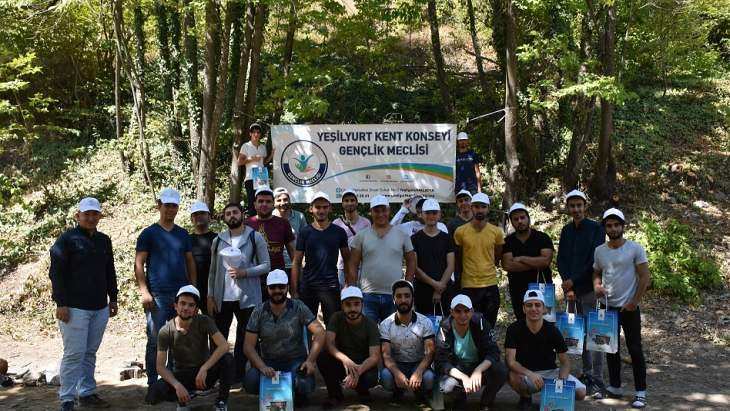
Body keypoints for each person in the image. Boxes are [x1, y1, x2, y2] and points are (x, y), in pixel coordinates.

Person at [50, 197, 118, 410]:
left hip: (99, 307)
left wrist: (113, 298)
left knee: (89, 352)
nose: (90, 217)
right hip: (74, 308)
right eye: (86, 214)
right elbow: (56, 273)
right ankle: (67, 398)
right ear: (77, 215)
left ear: (99, 216)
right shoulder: (67, 239)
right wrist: (61, 302)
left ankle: (87, 392)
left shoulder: (104, 240)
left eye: (94, 214)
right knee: (74, 353)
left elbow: (110, 271)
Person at [135, 188, 197, 391]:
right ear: (159, 206)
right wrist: (144, 291)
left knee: (178, 339)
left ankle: (173, 382)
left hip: (181, 297)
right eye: (167, 205)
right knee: (156, 339)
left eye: (174, 206)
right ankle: (154, 383)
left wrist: (192, 289)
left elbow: (190, 262)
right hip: (158, 296)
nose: (170, 209)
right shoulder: (149, 233)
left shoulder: (182, 234)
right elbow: (139, 263)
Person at [593, 208, 650, 409]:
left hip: (629, 307)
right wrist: (597, 286)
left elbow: (645, 277)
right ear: (605, 228)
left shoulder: (635, 248)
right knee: (610, 348)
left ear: (623, 226)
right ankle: (615, 387)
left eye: (617, 224)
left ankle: (640, 392)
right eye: (609, 225)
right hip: (608, 307)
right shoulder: (600, 250)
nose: (613, 228)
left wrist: (634, 301)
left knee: (635, 349)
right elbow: (596, 272)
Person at [207, 202, 270, 380]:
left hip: (248, 297)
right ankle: (215, 375)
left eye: (235, 212)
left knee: (245, 337)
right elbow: (212, 271)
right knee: (218, 337)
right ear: (224, 217)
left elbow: (266, 265)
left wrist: (245, 272)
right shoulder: (218, 240)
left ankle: (240, 375)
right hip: (222, 297)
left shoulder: (254, 237)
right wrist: (210, 295)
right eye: (228, 214)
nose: (232, 216)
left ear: (242, 214)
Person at [243, 270, 325, 406]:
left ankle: (295, 394)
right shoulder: (258, 311)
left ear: (287, 287)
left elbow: (320, 332)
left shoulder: (298, 307)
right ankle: (274, 393)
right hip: (269, 363)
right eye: (273, 287)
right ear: (267, 288)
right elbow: (248, 346)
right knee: (251, 381)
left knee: (304, 384)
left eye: (281, 287)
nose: (277, 290)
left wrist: (310, 360)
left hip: (295, 362)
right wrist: (262, 366)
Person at [147, 286, 233, 411]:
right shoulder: (165, 331)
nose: (186, 308)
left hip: (204, 374)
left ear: (196, 310)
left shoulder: (204, 321)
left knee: (227, 359)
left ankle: (221, 401)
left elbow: (224, 345)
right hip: (182, 375)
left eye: (191, 305)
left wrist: (204, 368)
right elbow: (160, 367)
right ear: (175, 306)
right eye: (182, 303)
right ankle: (186, 395)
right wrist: (177, 385)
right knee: (153, 392)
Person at [557, 189, 606, 395]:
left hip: (590, 290)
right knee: (580, 333)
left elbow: (593, 262)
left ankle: (599, 379)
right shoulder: (566, 230)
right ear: (568, 208)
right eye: (572, 206)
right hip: (572, 292)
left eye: (579, 205)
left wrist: (573, 282)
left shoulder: (596, 229)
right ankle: (586, 373)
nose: (576, 209)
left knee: (596, 334)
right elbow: (561, 259)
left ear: (585, 206)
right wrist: (567, 283)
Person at [505, 289, 587, 410]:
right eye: (529, 305)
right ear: (523, 308)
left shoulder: (553, 330)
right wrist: (530, 374)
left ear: (544, 309)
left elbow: (565, 362)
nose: (533, 309)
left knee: (581, 392)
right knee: (512, 376)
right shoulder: (513, 329)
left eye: (537, 305)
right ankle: (526, 398)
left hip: (550, 373)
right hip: (526, 374)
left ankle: (550, 397)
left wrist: (561, 382)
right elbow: (510, 362)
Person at [349, 194, 416, 323]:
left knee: (392, 336)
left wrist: (407, 285)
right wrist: (353, 290)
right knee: (368, 336)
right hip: (367, 295)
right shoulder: (361, 236)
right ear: (371, 212)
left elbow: (412, 260)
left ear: (389, 210)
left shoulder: (402, 234)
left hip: (394, 295)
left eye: (383, 210)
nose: (380, 214)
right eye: (376, 211)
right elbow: (353, 263)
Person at [435, 294, 507, 411]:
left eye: (466, 311)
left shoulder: (481, 323)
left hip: (478, 365)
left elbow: (493, 351)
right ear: (452, 312)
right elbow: (441, 361)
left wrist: (479, 370)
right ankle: (459, 400)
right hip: (457, 368)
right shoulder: (445, 327)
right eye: (458, 311)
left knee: (501, 371)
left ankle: (486, 402)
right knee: (447, 386)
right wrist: (463, 377)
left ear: (472, 311)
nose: (463, 315)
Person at [291, 192, 350, 324]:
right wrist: (294, 290)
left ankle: (330, 346)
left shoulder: (339, 232)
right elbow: (296, 262)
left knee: (333, 326)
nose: (321, 210)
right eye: (318, 207)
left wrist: (349, 284)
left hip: (331, 286)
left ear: (330, 208)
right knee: (306, 325)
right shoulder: (305, 232)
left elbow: (348, 260)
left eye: (324, 207)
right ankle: (311, 346)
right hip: (308, 286)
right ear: (311, 209)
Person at [317, 287, 381, 408]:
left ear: (362, 305)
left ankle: (362, 390)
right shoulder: (336, 318)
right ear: (342, 306)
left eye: (356, 304)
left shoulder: (370, 325)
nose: (352, 309)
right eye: (348, 305)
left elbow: (374, 357)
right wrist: (346, 360)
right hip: (342, 363)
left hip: (362, 365)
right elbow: (329, 344)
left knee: (371, 378)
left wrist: (357, 371)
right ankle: (335, 395)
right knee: (323, 357)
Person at [452, 192, 504, 328]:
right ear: (471, 207)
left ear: (488, 209)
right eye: (476, 206)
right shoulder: (460, 231)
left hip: (490, 283)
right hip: (468, 284)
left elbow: (497, 255)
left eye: (483, 207)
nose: (479, 210)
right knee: (470, 324)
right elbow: (458, 257)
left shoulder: (496, 232)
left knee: (489, 324)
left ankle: (487, 348)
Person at [379, 280, 436, 401]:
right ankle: (398, 390)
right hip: (397, 364)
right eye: (399, 296)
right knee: (386, 377)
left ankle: (420, 391)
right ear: (393, 299)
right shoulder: (385, 324)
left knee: (429, 378)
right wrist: (397, 374)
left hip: (418, 363)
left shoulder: (425, 322)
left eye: (407, 296)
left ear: (413, 298)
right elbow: (386, 355)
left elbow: (430, 352)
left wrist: (419, 372)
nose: (403, 300)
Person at [501, 203, 554, 320]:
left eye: (522, 217)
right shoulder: (508, 241)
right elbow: (507, 265)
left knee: (545, 322)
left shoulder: (542, 238)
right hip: (518, 289)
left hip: (542, 287)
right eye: (515, 219)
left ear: (528, 218)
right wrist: (536, 262)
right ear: (511, 222)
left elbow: (545, 261)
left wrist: (521, 259)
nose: (520, 221)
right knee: (522, 323)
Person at [245, 186, 295, 298]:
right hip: (253, 279)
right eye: (261, 201)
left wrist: (295, 283)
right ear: (254, 204)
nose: (264, 204)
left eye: (268, 201)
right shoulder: (246, 224)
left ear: (273, 204)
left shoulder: (283, 223)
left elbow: (293, 254)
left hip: (278, 278)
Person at [411, 199, 455, 315]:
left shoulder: (447, 238)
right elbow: (415, 268)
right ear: (422, 215)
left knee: (445, 326)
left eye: (434, 213)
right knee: (423, 327)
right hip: (422, 290)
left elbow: (450, 266)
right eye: (428, 213)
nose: (431, 216)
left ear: (439, 214)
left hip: (445, 290)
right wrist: (436, 285)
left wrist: (440, 288)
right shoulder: (415, 239)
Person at [332, 188, 371, 287]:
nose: (349, 203)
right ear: (342, 203)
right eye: (346, 200)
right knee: (344, 298)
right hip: (342, 267)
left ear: (357, 203)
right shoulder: (336, 223)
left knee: (361, 298)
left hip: (362, 267)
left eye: (352, 200)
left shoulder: (366, 223)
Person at [238, 123, 273, 216]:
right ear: (250, 134)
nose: (256, 134)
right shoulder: (246, 146)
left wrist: (272, 155)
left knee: (263, 201)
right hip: (250, 178)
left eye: (258, 132)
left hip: (261, 176)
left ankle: (263, 222)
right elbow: (239, 162)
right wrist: (251, 159)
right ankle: (252, 225)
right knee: (252, 202)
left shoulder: (262, 147)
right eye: (253, 132)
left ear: (260, 134)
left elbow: (263, 163)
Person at [272, 187, 307, 277]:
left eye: (285, 199)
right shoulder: (270, 218)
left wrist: (303, 259)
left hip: (298, 263)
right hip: (277, 265)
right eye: (279, 200)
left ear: (290, 200)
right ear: (274, 203)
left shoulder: (299, 216)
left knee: (298, 290)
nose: (282, 203)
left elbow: (306, 239)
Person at [189, 201, 217, 315]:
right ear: (191, 219)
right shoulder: (186, 240)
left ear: (209, 217)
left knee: (215, 326)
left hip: (214, 291)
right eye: (195, 214)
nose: (199, 216)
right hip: (193, 290)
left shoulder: (218, 239)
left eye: (202, 213)